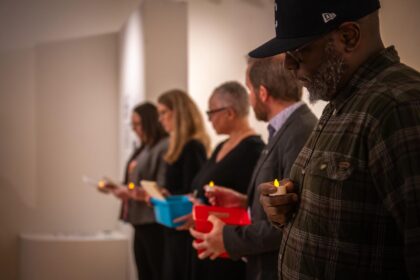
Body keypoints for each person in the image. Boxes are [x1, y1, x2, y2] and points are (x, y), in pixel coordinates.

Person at [250, 0, 420, 279]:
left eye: (299, 50)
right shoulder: (342, 102)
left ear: (348, 37)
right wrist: (286, 211)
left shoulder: (397, 107)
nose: (289, 66)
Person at [190, 55, 317, 280]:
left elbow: (293, 222)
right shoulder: (286, 128)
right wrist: (242, 201)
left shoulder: (299, 132)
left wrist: (228, 239)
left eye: (249, 90)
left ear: (263, 93)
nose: (248, 100)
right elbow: (280, 203)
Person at [190, 81, 265, 280]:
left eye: (211, 112)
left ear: (230, 112)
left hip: (228, 252)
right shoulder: (221, 146)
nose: (209, 119)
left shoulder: (254, 151)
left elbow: (255, 208)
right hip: (209, 246)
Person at [103, 102, 168, 280]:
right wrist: (119, 188)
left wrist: (131, 193)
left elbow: (159, 186)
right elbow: (133, 181)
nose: (134, 129)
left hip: (153, 221)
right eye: (132, 125)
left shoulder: (162, 146)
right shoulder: (144, 147)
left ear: (150, 122)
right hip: (139, 220)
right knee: (143, 272)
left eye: (137, 124)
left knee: (155, 272)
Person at [157, 89, 211, 280]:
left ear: (178, 113)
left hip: (185, 229)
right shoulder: (178, 145)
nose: (160, 119)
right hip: (175, 227)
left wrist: (169, 196)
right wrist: (164, 194)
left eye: (163, 112)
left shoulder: (192, 146)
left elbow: (194, 190)